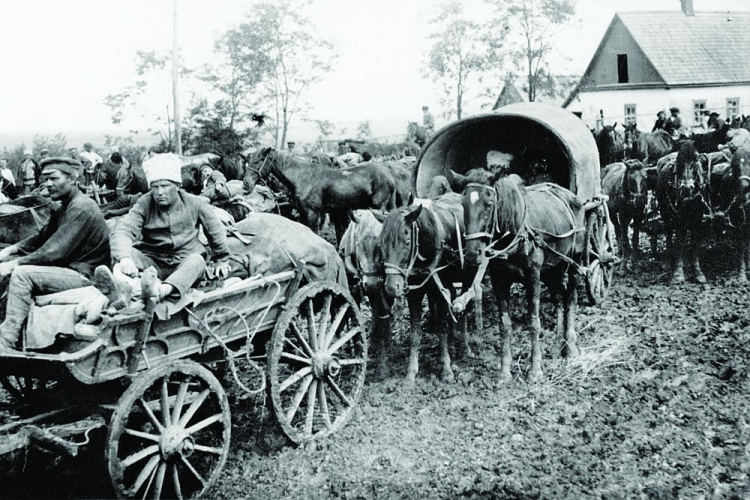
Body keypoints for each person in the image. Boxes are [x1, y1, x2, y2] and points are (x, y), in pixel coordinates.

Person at [0, 157, 111, 351]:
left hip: (85, 275)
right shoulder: (65, 206)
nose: (48, 184)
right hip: (69, 270)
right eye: (45, 179)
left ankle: (8, 340)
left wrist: (12, 265)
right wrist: (10, 250)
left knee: (21, 274)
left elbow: (53, 251)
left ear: (72, 179)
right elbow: (40, 238)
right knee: (11, 263)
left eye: (54, 178)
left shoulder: (81, 207)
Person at [107, 153, 230, 303]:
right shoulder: (144, 203)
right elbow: (124, 230)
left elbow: (215, 231)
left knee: (197, 261)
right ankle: (125, 290)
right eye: (155, 187)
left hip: (183, 264)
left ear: (177, 186)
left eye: (165, 186)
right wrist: (126, 259)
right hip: (153, 262)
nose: (159, 192)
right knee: (123, 256)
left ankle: (159, 290)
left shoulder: (196, 203)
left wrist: (221, 259)